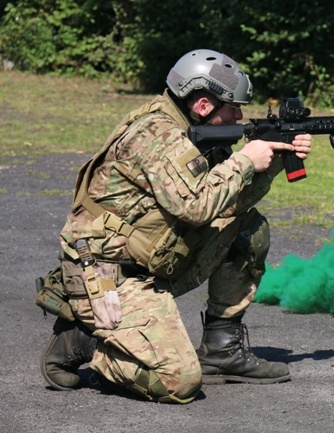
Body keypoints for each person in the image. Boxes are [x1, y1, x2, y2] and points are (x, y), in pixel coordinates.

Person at [39, 49, 312, 404]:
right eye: (234, 108)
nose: (241, 116)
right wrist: (246, 160)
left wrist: (272, 163)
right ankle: (84, 340)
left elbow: (226, 203)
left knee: (248, 229)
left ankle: (221, 349)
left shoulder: (192, 130)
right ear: (202, 105)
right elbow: (196, 208)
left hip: (150, 259)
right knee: (178, 382)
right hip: (108, 276)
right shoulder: (159, 136)